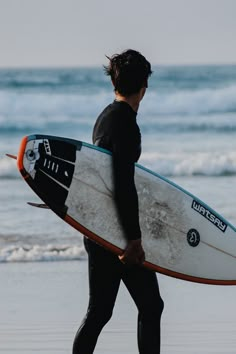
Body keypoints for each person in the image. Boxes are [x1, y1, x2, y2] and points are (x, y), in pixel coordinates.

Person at [73, 49, 164, 354]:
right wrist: (133, 239)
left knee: (101, 312)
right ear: (144, 87)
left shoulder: (105, 117)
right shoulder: (125, 123)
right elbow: (122, 183)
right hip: (116, 234)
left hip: (101, 229)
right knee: (150, 306)